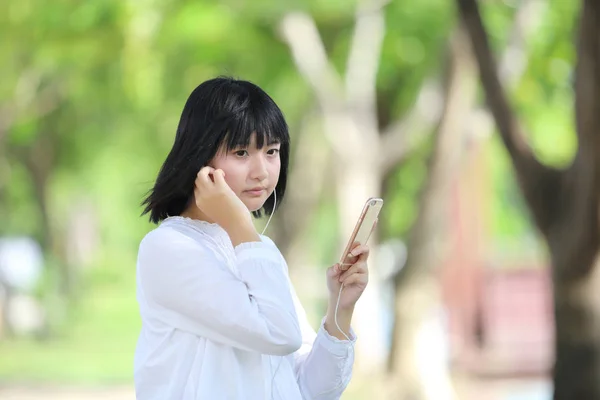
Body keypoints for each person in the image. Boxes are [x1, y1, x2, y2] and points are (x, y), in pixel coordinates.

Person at [134, 76, 370, 399]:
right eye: (242, 152)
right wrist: (239, 224)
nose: (262, 171)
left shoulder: (257, 250)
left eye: (271, 151)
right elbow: (279, 333)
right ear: (200, 159)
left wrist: (339, 310)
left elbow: (309, 389)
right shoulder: (168, 249)